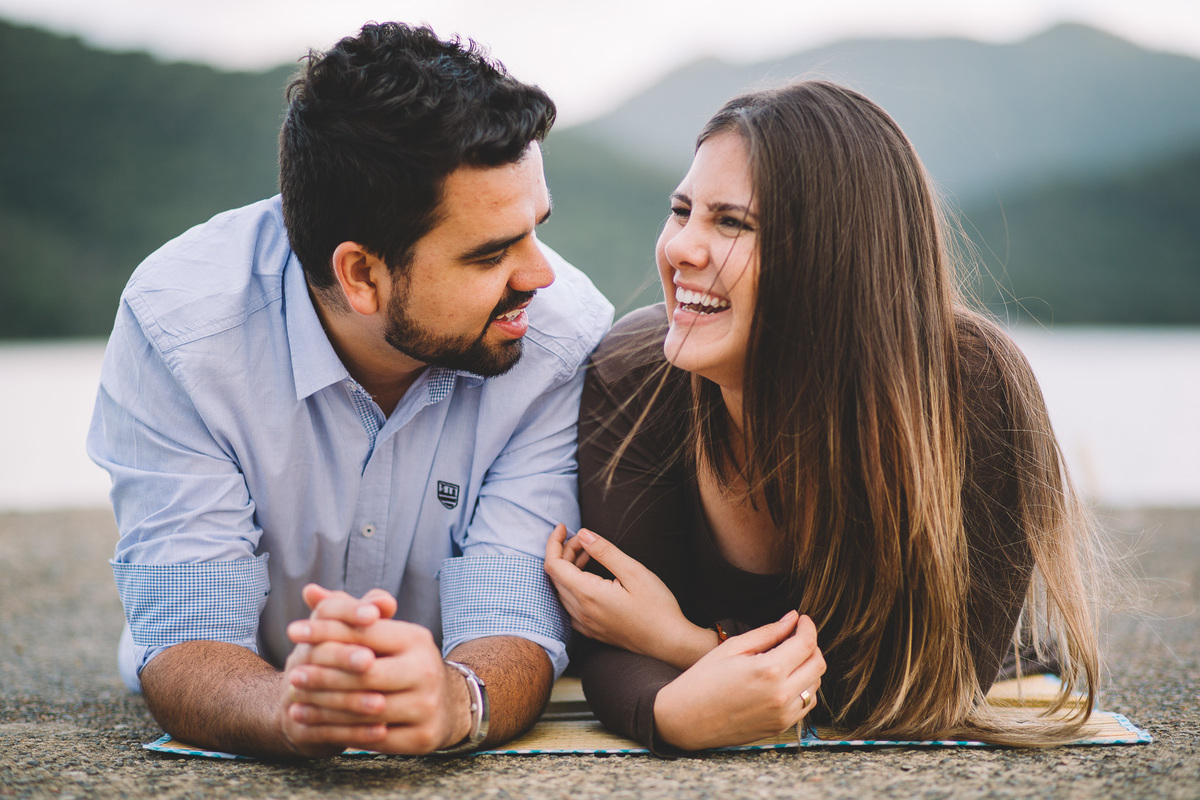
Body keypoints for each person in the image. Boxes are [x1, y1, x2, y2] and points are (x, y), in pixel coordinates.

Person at [87, 22, 612, 759]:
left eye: (535, 230)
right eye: (491, 253)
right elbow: (188, 632)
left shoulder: (559, 334)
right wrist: (293, 709)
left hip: (445, 670)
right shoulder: (181, 330)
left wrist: (459, 700)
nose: (539, 275)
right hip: (255, 677)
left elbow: (515, 613)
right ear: (361, 275)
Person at [544, 80, 1103, 754]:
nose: (681, 249)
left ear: (837, 255)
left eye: (732, 222)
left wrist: (684, 642)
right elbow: (610, 634)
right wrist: (670, 716)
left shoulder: (968, 389)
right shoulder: (633, 375)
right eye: (682, 210)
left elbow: (923, 687)